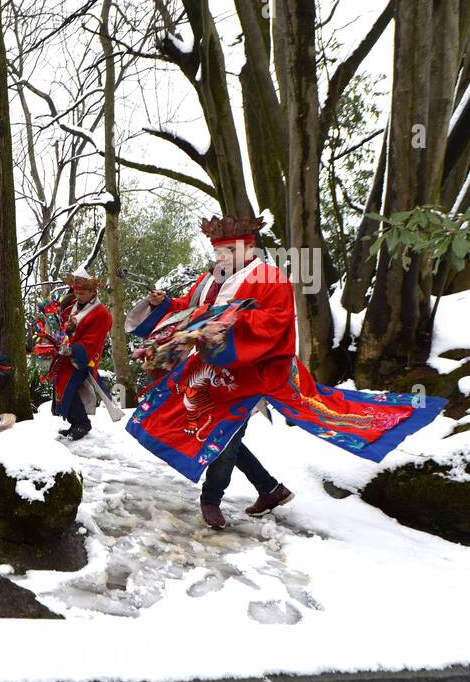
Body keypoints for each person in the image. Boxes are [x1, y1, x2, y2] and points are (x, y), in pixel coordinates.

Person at [125, 216, 446, 529]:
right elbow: (188, 308)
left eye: (228, 252)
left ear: (248, 248)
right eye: (218, 253)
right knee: (216, 431)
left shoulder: (270, 277)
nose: (221, 258)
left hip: (251, 371)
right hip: (209, 372)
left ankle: (211, 499)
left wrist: (232, 322)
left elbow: (276, 321)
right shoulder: (212, 278)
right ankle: (269, 489)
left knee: (224, 433)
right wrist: (163, 304)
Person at [51, 271, 113, 440]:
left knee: (68, 388)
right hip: (67, 355)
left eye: (82, 293)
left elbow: (94, 340)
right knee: (63, 388)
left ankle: (82, 424)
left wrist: (71, 349)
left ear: (93, 292)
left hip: (82, 357)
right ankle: (75, 423)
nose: (78, 296)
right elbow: (65, 325)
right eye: (76, 293)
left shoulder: (101, 313)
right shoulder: (76, 305)